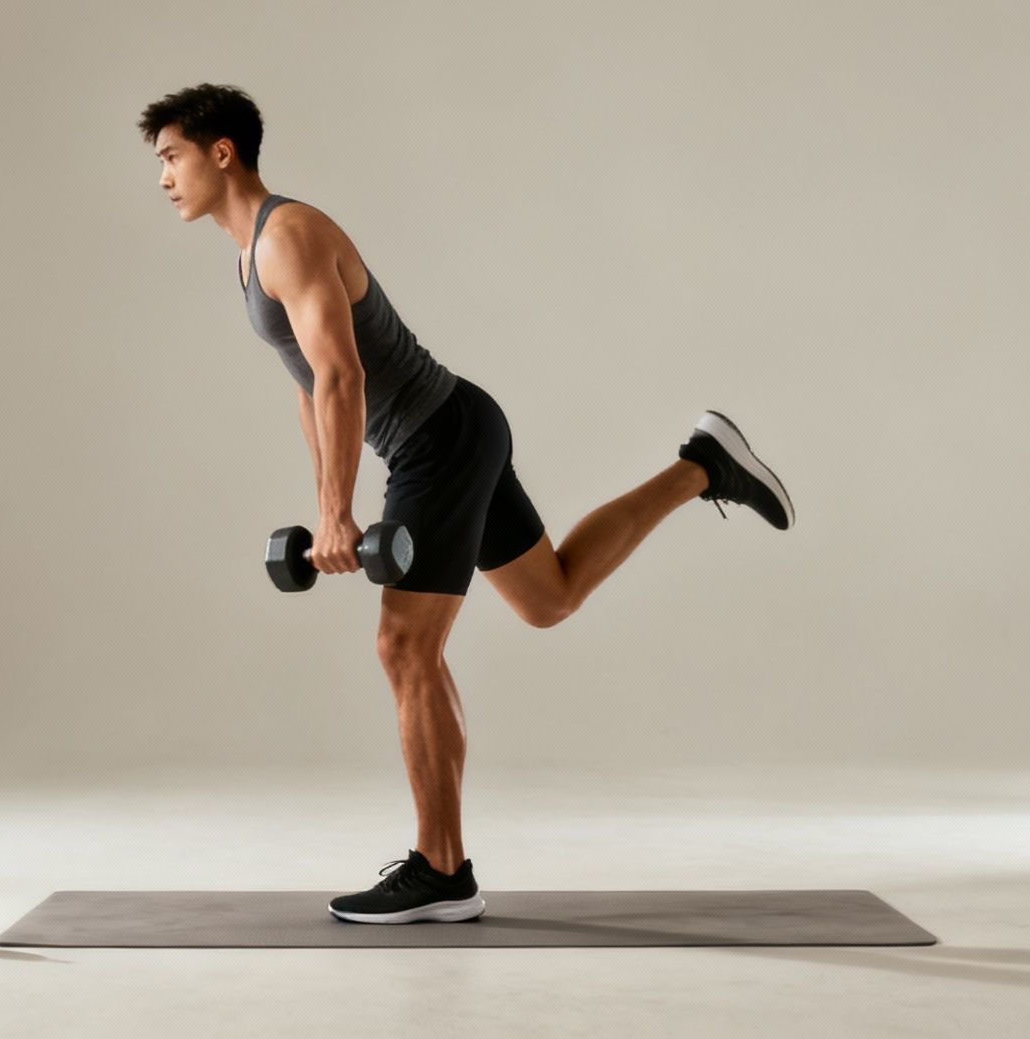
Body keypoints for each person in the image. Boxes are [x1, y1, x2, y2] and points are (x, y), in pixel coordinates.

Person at [137, 83, 794, 925]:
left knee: (404, 647)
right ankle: (702, 466)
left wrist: (339, 517)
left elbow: (344, 375)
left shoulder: (289, 236)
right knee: (548, 597)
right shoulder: (248, 257)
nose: (162, 176)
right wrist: (327, 505)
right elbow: (310, 389)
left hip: (440, 440)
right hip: (452, 430)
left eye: (170, 156)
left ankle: (442, 869)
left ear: (220, 151)